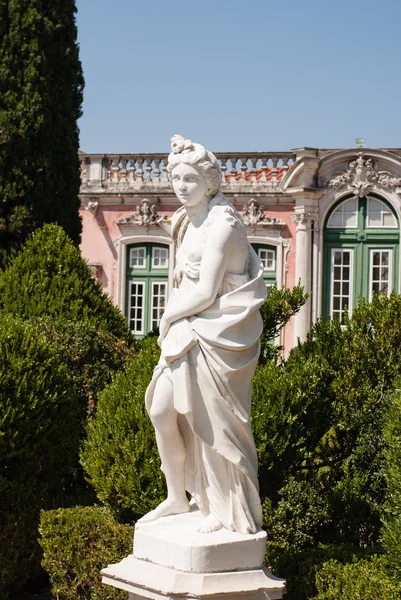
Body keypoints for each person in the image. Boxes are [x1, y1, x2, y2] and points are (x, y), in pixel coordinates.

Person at [138, 135, 267, 534]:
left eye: (190, 179)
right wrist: (175, 318)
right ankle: (178, 496)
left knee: (210, 422)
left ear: (209, 183)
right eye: (176, 178)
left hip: (219, 330)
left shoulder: (223, 224)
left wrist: (165, 317)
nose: (181, 186)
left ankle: (221, 507)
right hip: (188, 327)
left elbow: (206, 290)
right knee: (160, 409)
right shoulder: (183, 220)